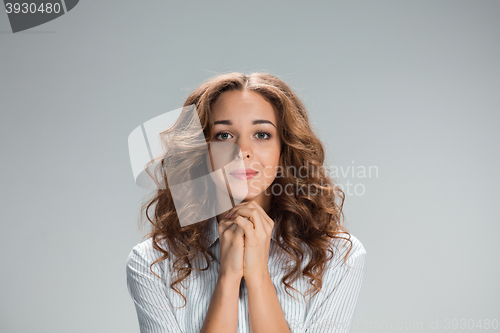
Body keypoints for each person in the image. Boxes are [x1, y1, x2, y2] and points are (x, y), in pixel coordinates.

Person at [126, 72, 367, 333]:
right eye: (224, 135)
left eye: (262, 134)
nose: (242, 150)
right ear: (201, 149)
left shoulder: (338, 256)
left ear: (283, 148)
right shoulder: (152, 261)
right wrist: (228, 277)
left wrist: (257, 275)